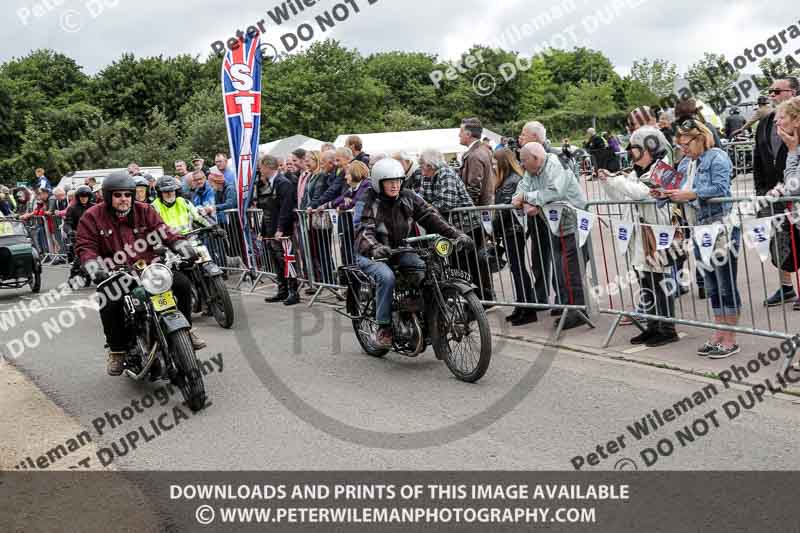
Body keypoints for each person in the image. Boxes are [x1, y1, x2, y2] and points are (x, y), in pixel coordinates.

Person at [75, 172, 205, 375]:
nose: (123, 199)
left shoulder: (144, 210)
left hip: (150, 268)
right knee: (108, 300)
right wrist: (94, 267)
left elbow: (163, 231)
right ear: (109, 196)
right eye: (118, 195)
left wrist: (181, 245)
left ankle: (186, 330)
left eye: (127, 194)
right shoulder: (92, 216)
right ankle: (117, 350)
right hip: (118, 272)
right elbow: (86, 246)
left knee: (182, 284)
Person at [353, 158, 473, 348]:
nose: (395, 185)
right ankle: (384, 327)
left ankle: (420, 311)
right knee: (387, 277)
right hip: (370, 253)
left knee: (427, 268)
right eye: (389, 181)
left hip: (401, 249)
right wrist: (374, 247)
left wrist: (456, 234)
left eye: (398, 180)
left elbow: (430, 216)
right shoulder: (367, 200)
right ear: (378, 182)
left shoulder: (408, 196)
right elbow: (363, 229)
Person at [661, 119, 739, 358]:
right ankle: (719, 331)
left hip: (720, 227)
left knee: (725, 282)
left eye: (685, 144)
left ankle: (730, 337)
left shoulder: (717, 157)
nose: (682, 149)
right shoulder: (686, 163)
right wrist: (662, 193)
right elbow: (674, 188)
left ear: (700, 138)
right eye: (680, 145)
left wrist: (691, 194)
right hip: (698, 228)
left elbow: (721, 188)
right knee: (711, 282)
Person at [597, 127, 680, 347]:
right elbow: (620, 195)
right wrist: (606, 182)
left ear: (649, 147)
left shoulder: (666, 170)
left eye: (635, 147)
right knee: (645, 280)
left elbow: (642, 194)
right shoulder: (634, 172)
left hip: (658, 233)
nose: (631, 152)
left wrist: (616, 180)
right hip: (639, 233)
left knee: (659, 281)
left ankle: (668, 328)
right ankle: (652, 327)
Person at [512, 143, 590, 331]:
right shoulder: (532, 171)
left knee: (570, 270)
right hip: (555, 225)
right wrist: (525, 201)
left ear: (536, 158)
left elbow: (555, 191)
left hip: (573, 223)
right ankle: (569, 308)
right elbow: (519, 193)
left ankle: (577, 311)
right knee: (561, 270)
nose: (522, 165)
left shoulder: (554, 164)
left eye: (524, 161)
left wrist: (528, 198)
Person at [416, 148, 493, 302]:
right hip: (450, 229)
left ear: (431, 165)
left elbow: (446, 202)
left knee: (470, 266)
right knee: (457, 267)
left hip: (467, 226)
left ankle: (483, 299)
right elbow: (421, 201)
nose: (421, 170)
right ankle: (469, 300)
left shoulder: (446, 174)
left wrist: (427, 207)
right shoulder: (427, 177)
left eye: (423, 166)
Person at [754, 77, 799, 308]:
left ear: (792, 92)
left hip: (795, 191)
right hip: (773, 194)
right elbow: (758, 159)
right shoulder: (765, 123)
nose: (771, 95)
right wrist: (761, 191)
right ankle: (786, 287)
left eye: (776, 91)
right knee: (779, 242)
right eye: (770, 91)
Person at [492, 147, 536, 326]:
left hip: (513, 230)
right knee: (516, 268)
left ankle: (528, 308)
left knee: (518, 269)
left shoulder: (511, 181)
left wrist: (491, 230)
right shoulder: (507, 180)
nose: (493, 165)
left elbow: (505, 209)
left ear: (502, 162)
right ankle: (522, 306)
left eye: (495, 162)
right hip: (509, 230)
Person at [258, 155, 299, 306]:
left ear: (268, 167)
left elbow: (286, 208)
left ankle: (293, 291)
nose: (260, 170)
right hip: (271, 229)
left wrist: (281, 228)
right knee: (277, 261)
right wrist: (263, 232)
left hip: (282, 230)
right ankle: (282, 290)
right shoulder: (267, 184)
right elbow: (266, 208)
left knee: (287, 260)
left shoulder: (283, 183)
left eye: (261, 167)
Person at [459, 117, 495, 207]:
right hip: (485, 204)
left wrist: (468, 208)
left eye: (461, 132)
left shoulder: (475, 155)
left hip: (479, 208)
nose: (459, 135)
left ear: (468, 134)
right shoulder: (483, 149)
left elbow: (474, 187)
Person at [63, 185, 95, 281]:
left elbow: (102, 221)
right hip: (78, 236)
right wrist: (70, 231)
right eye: (82, 196)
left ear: (89, 197)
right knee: (80, 256)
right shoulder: (72, 209)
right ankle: (73, 275)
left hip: (93, 236)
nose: (84, 198)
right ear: (78, 197)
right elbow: (67, 223)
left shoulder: (95, 208)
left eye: (86, 196)